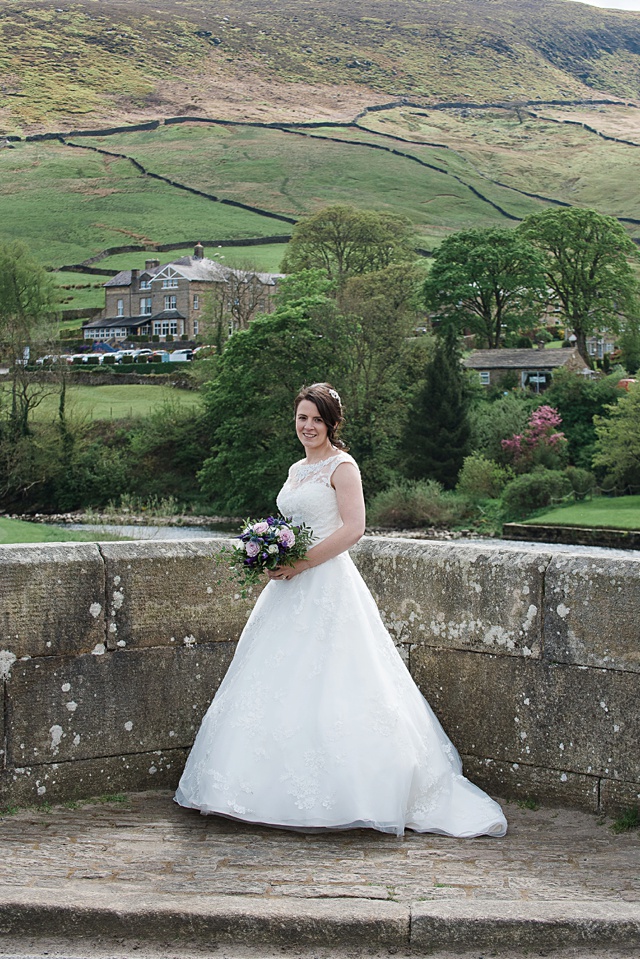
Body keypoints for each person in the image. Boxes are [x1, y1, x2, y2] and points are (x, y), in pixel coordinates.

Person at [175, 383, 507, 838]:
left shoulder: (342, 466)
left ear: (331, 423)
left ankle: (354, 794)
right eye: (301, 418)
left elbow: (354, 529)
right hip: (287, 590)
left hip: (327, 583)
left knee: (338, 679)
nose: (307, 426)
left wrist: (298, 562)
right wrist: (269, 551)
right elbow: (292, 525)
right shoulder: (295, 470)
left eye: (316, 419)